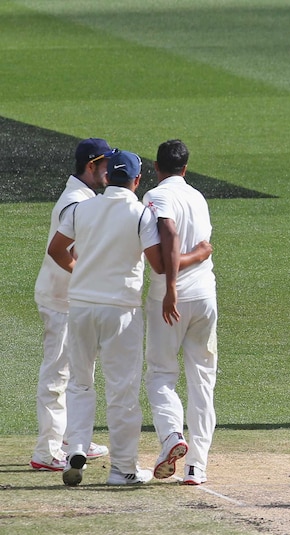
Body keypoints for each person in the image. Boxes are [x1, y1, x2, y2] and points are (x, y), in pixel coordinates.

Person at [48, 150, 211, 487]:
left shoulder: (80, 207)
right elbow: (158, 264)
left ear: (107, 176)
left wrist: (82, 274)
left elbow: (56, 249)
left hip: (80, 306)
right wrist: (199, 253)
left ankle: (76, 448)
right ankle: (122, 469)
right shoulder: (141, 215)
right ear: (137, 181)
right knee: (121, 391)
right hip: (120, 311)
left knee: (80, 383)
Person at [30, 138, 115, 472]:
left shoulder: (85, 199)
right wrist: (87, 277)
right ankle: (46, 450)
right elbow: (60, 250)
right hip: (60, 300)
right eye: (106, 164)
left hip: (73, 300)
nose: (110, 170)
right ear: (91, 166)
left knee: (79, 371)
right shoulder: (74, 203)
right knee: (57, 374)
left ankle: (70, 439)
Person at [142, 140, 217, 486]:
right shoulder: (199, 198)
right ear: (185, 169)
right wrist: (199, 256)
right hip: (204, 297)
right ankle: (195, 467)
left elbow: (168, 231)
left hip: (168, 300)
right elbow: (198, 246)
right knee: (202, 379)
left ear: (157, 168)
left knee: (160, 374)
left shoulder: (156, 196)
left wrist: (171, 287)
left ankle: (172, 436)